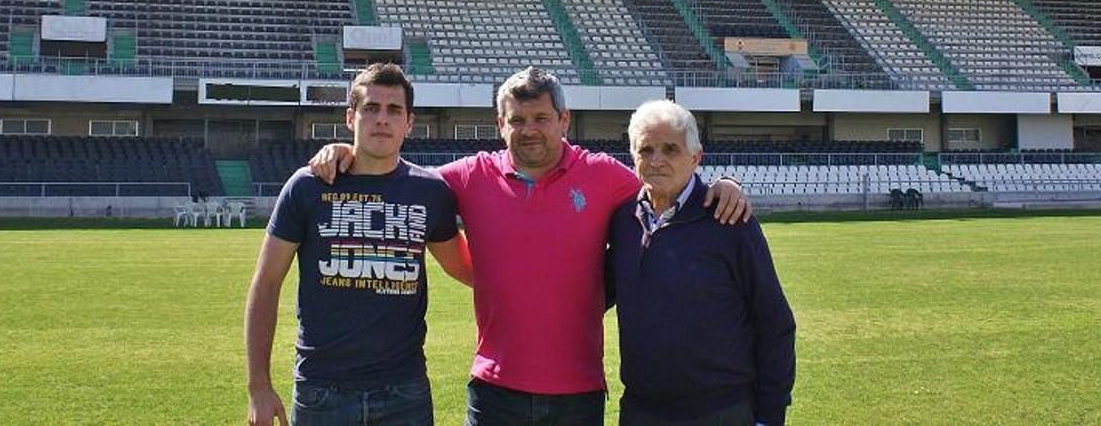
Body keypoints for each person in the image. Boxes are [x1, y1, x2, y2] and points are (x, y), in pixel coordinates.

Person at [308, 66, 751, 426]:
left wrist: (722, 185)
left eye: (541, 118)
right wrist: (345, 153)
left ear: (564, 120)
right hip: (494, 389)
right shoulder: (469, 175)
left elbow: (665, 177)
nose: (529, 130)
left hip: (578, 393)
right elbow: (399, 182)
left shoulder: (602, 175)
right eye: (517, 120)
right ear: (500, 125)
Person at [245, 63, 473, 426]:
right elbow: (267, 282)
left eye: (394, 110)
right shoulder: (308, 186)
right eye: (371, 108)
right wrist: (258, 386)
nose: (382, 119)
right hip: (322, 390)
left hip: (404, 390)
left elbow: (467, 270)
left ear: (409, 123)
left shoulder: (430, 192)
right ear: (350, 117)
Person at [608, 100, 795, 426]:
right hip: (641, 411)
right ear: (632, 157)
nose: (657, 160)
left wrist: (770, 415)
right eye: (646, 149)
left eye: (671, 150)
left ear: (696, 158)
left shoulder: (730, 219)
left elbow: (774, 321)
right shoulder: (623, 220)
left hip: (720, 411)